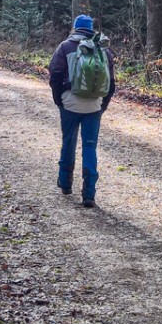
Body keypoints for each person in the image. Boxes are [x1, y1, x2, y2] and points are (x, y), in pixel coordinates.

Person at [48, 14, 115, 208]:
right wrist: (103, 106)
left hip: (69, 104)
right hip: (93, 106)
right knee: (90, 147)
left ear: (75, 28)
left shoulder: (65, 47)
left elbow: (55, 76)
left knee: (68, 141)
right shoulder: (103, 50)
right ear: (91, 29)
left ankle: (66, 183)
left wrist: (59, 100)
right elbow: (111, 84)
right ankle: (89, 194)